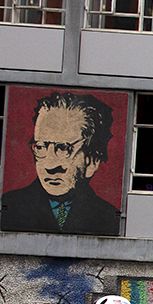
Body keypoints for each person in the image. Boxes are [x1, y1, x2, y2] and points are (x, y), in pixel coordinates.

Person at [1, 91, 121, 235]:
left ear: (92, 161)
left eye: (64, 149)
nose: (50, 166)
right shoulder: (12, 205)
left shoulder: (108, 216)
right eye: (41, 147)